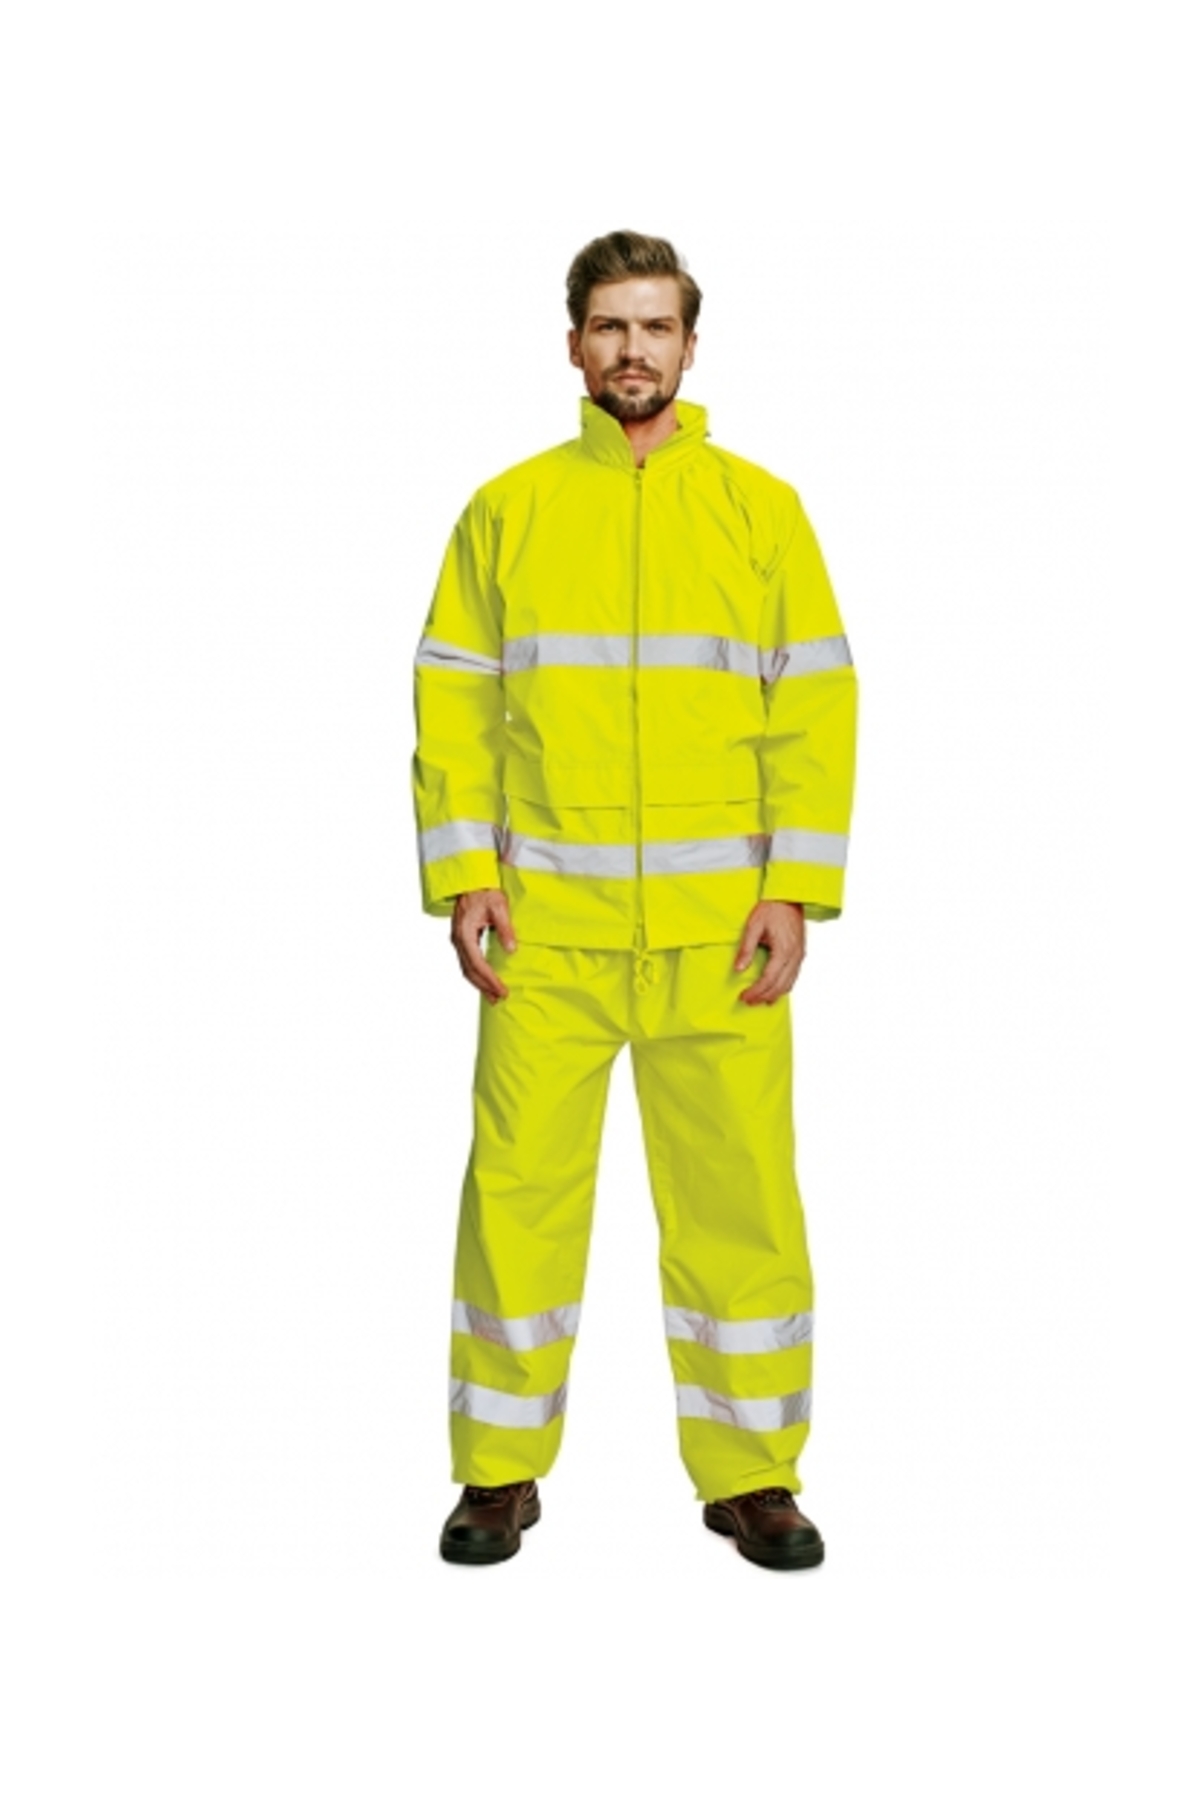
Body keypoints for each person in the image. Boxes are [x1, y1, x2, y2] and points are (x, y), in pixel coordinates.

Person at [410, 230, 858, 1571]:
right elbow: (454, 699)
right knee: (517, 1201)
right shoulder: (509, 510)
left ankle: (754, 1474)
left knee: (741, 1205)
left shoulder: (761, 510)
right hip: (544, 933)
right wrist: (466, 873)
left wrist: (796, 890)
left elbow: (815, 706)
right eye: (609, 326)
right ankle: (497, 1470)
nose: (632, 350)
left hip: (721, 941)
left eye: (655, 327)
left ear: (690, 346)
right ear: (573, 345)